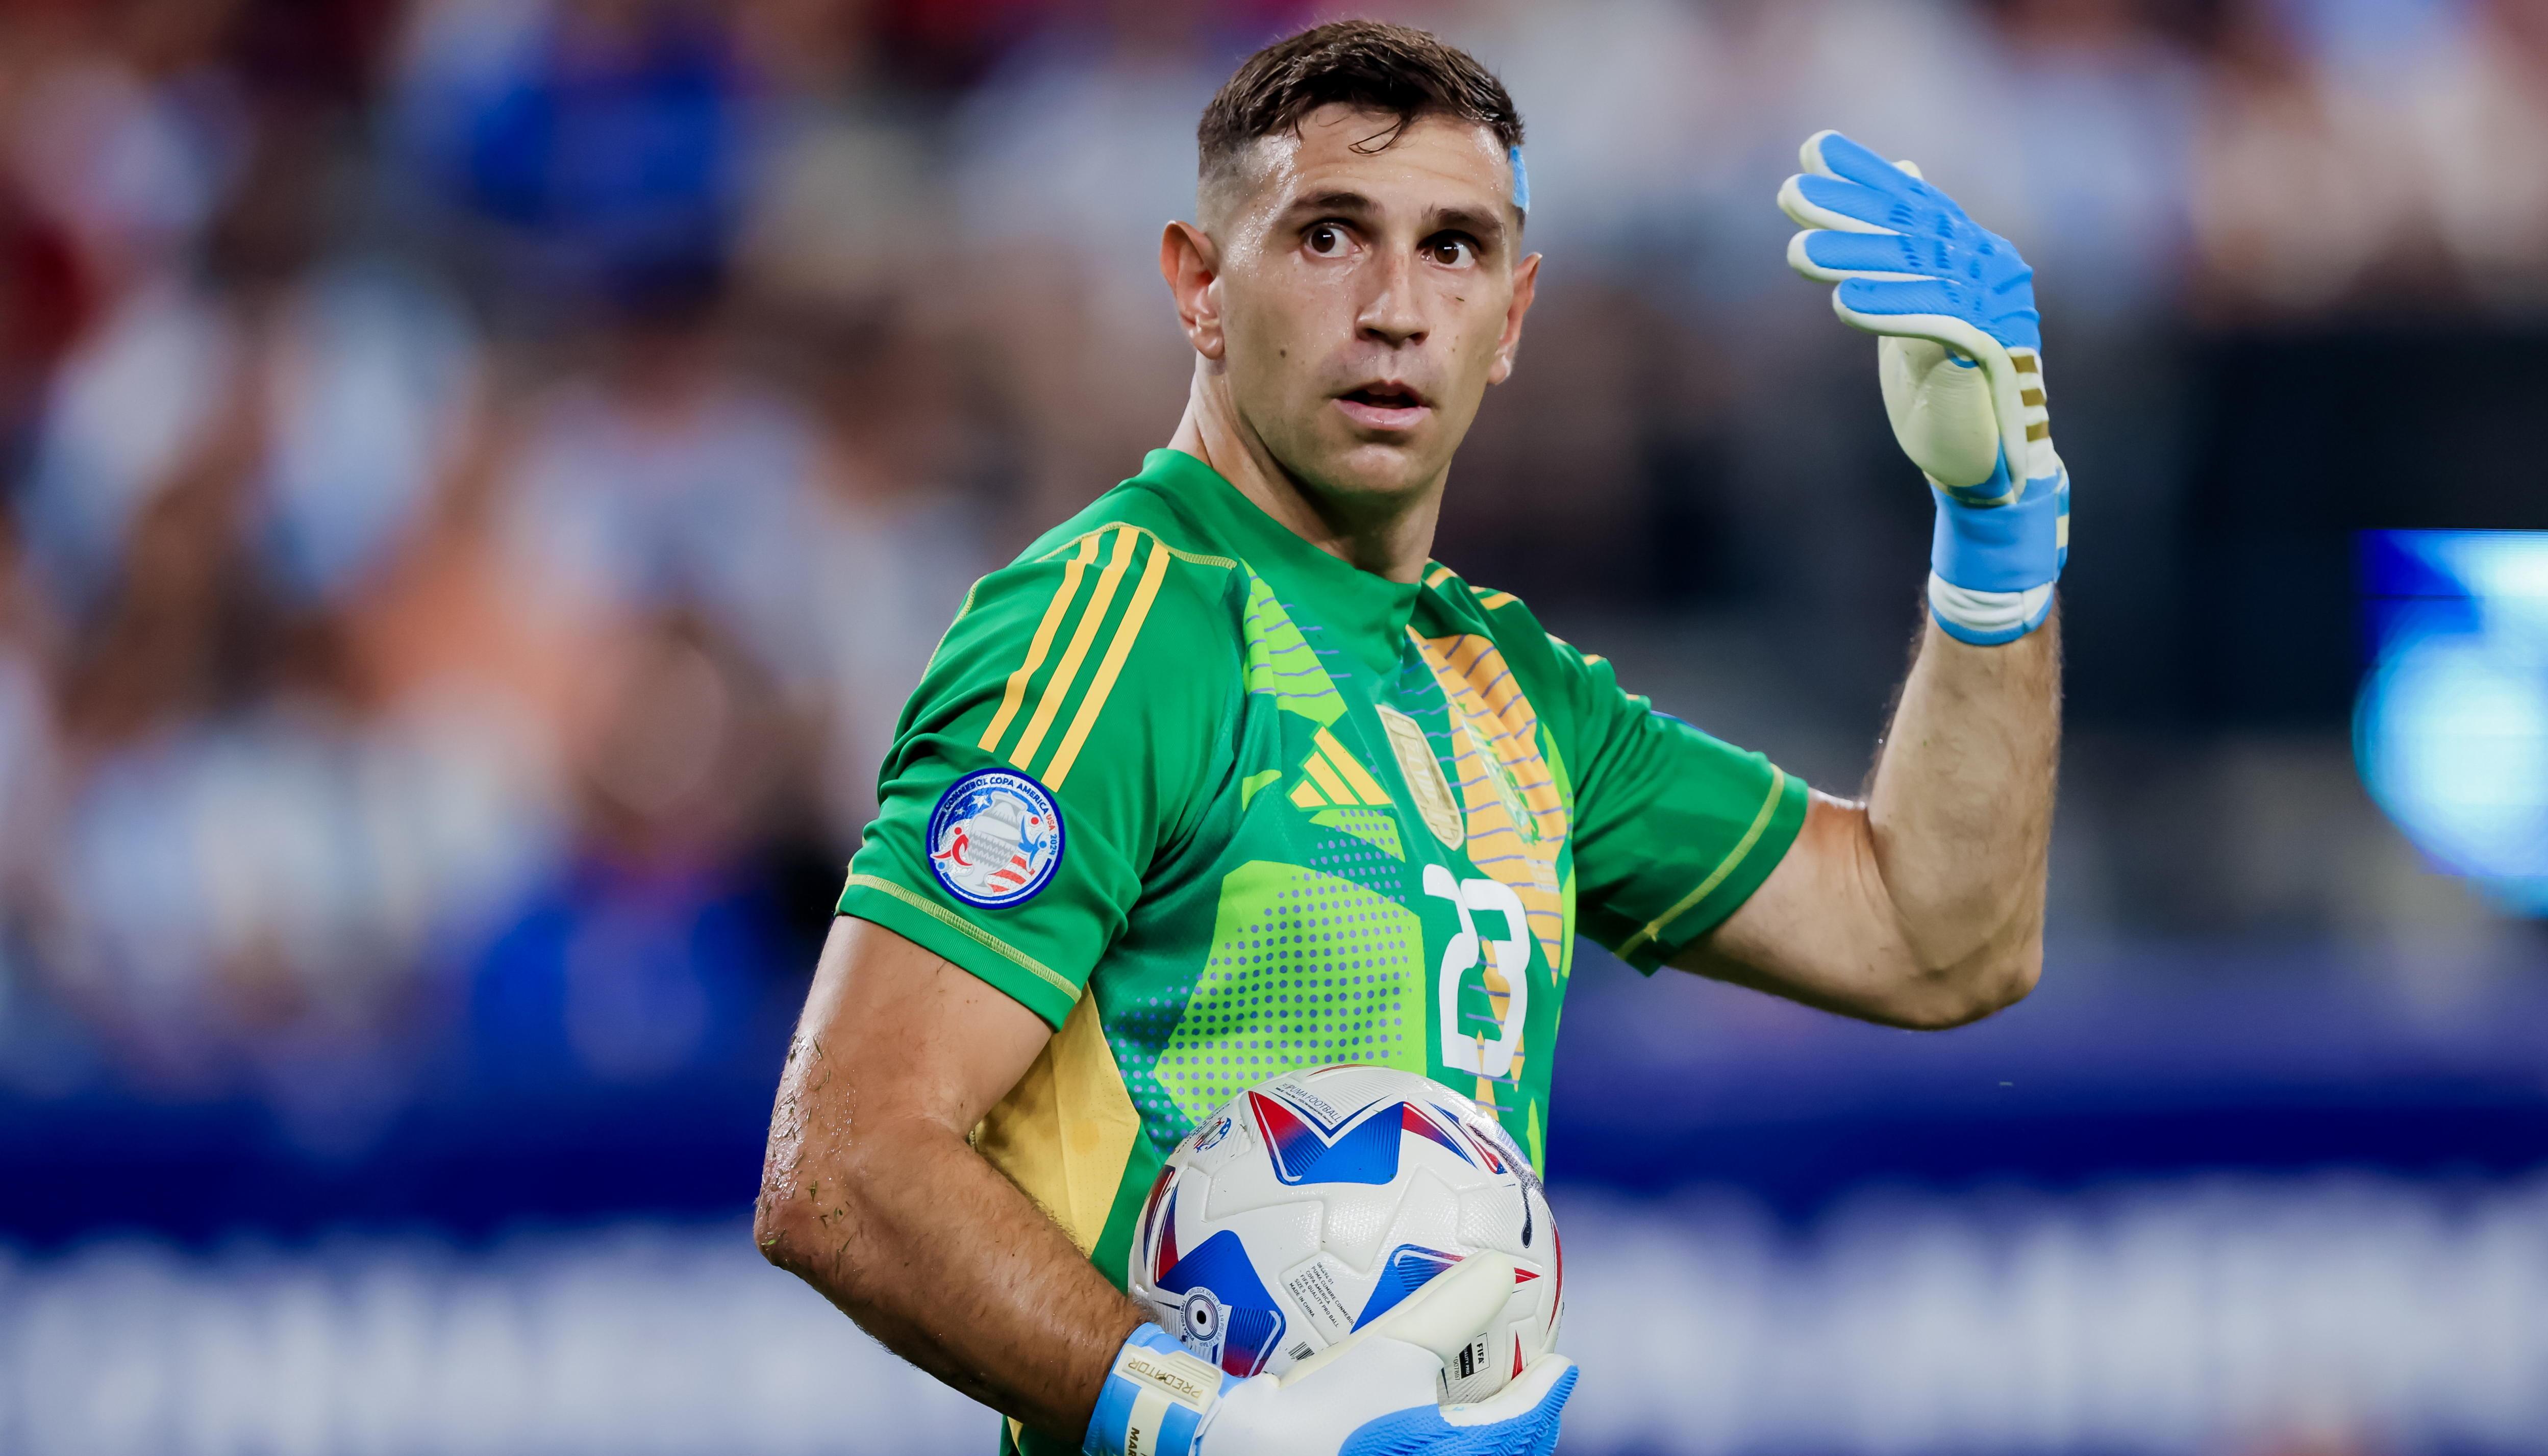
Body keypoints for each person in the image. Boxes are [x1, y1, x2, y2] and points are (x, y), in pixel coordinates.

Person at [755, 20, 2065, 1456]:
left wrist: (1995, 537)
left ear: (1511, 318)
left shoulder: (1515, 691)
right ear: (1196, 286)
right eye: (1327, 237)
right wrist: (1217, 1433)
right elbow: (845, 1165)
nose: (1393, 305)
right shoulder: (1123, 626)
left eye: (1452, 248)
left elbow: (1936, 938)